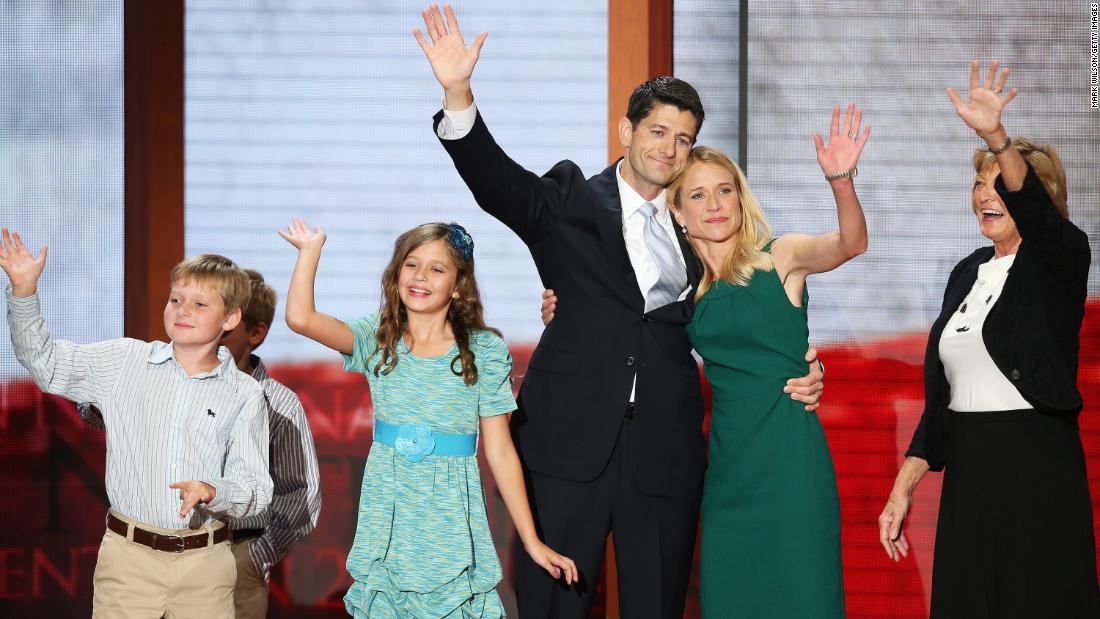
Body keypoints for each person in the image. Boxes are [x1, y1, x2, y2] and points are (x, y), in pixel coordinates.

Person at [413, 4, 825, 617]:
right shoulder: (568, 199)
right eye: (658, 131)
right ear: (625, 132)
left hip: (666, 452)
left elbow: (749, 311)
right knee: (553, 607)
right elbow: (495, 181)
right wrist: (458, 95)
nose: (670, 148)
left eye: (683, 138)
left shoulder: (701, 230)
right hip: (566, 447)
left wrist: (803, 365)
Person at [877, 60, 1100, 618]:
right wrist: (903, 486)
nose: (987, 193)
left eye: (1001, 181)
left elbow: (1041, 220)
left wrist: (995, 137)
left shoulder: (1060, 259)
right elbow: (943, 404)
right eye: (980, 181)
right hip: (972, 476)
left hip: (1035, 468)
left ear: (1037, 200)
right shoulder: (966, 271)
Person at [278, 218, 576, 617]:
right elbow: (301, 318)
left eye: (437, 269)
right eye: (411, 264)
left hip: (451, 515)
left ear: (458, 285)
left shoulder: (484, 350)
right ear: (396, 273)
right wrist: (310, 253)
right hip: (390, 507)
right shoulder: (377, 336)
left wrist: (531, 540)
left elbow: (501, 451)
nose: (420, 277)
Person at [1, 237, 272, 618]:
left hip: (205, 566)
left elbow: (257, 489)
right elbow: (47, 364)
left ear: (230, 319)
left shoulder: (244, 393)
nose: (182, 311)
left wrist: (215, 491)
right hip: (129, 561)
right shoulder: (126, 361)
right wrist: (24, 291)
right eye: (176, 299)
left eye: (199, 304)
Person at [221, 268, 322, 619]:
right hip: (160, 551)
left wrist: (256, 555)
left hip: (234, 555)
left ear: (256, 332)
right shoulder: (167, 385)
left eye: (229, 322)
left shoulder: (278, 403)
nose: (214, 329)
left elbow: (302, 493)